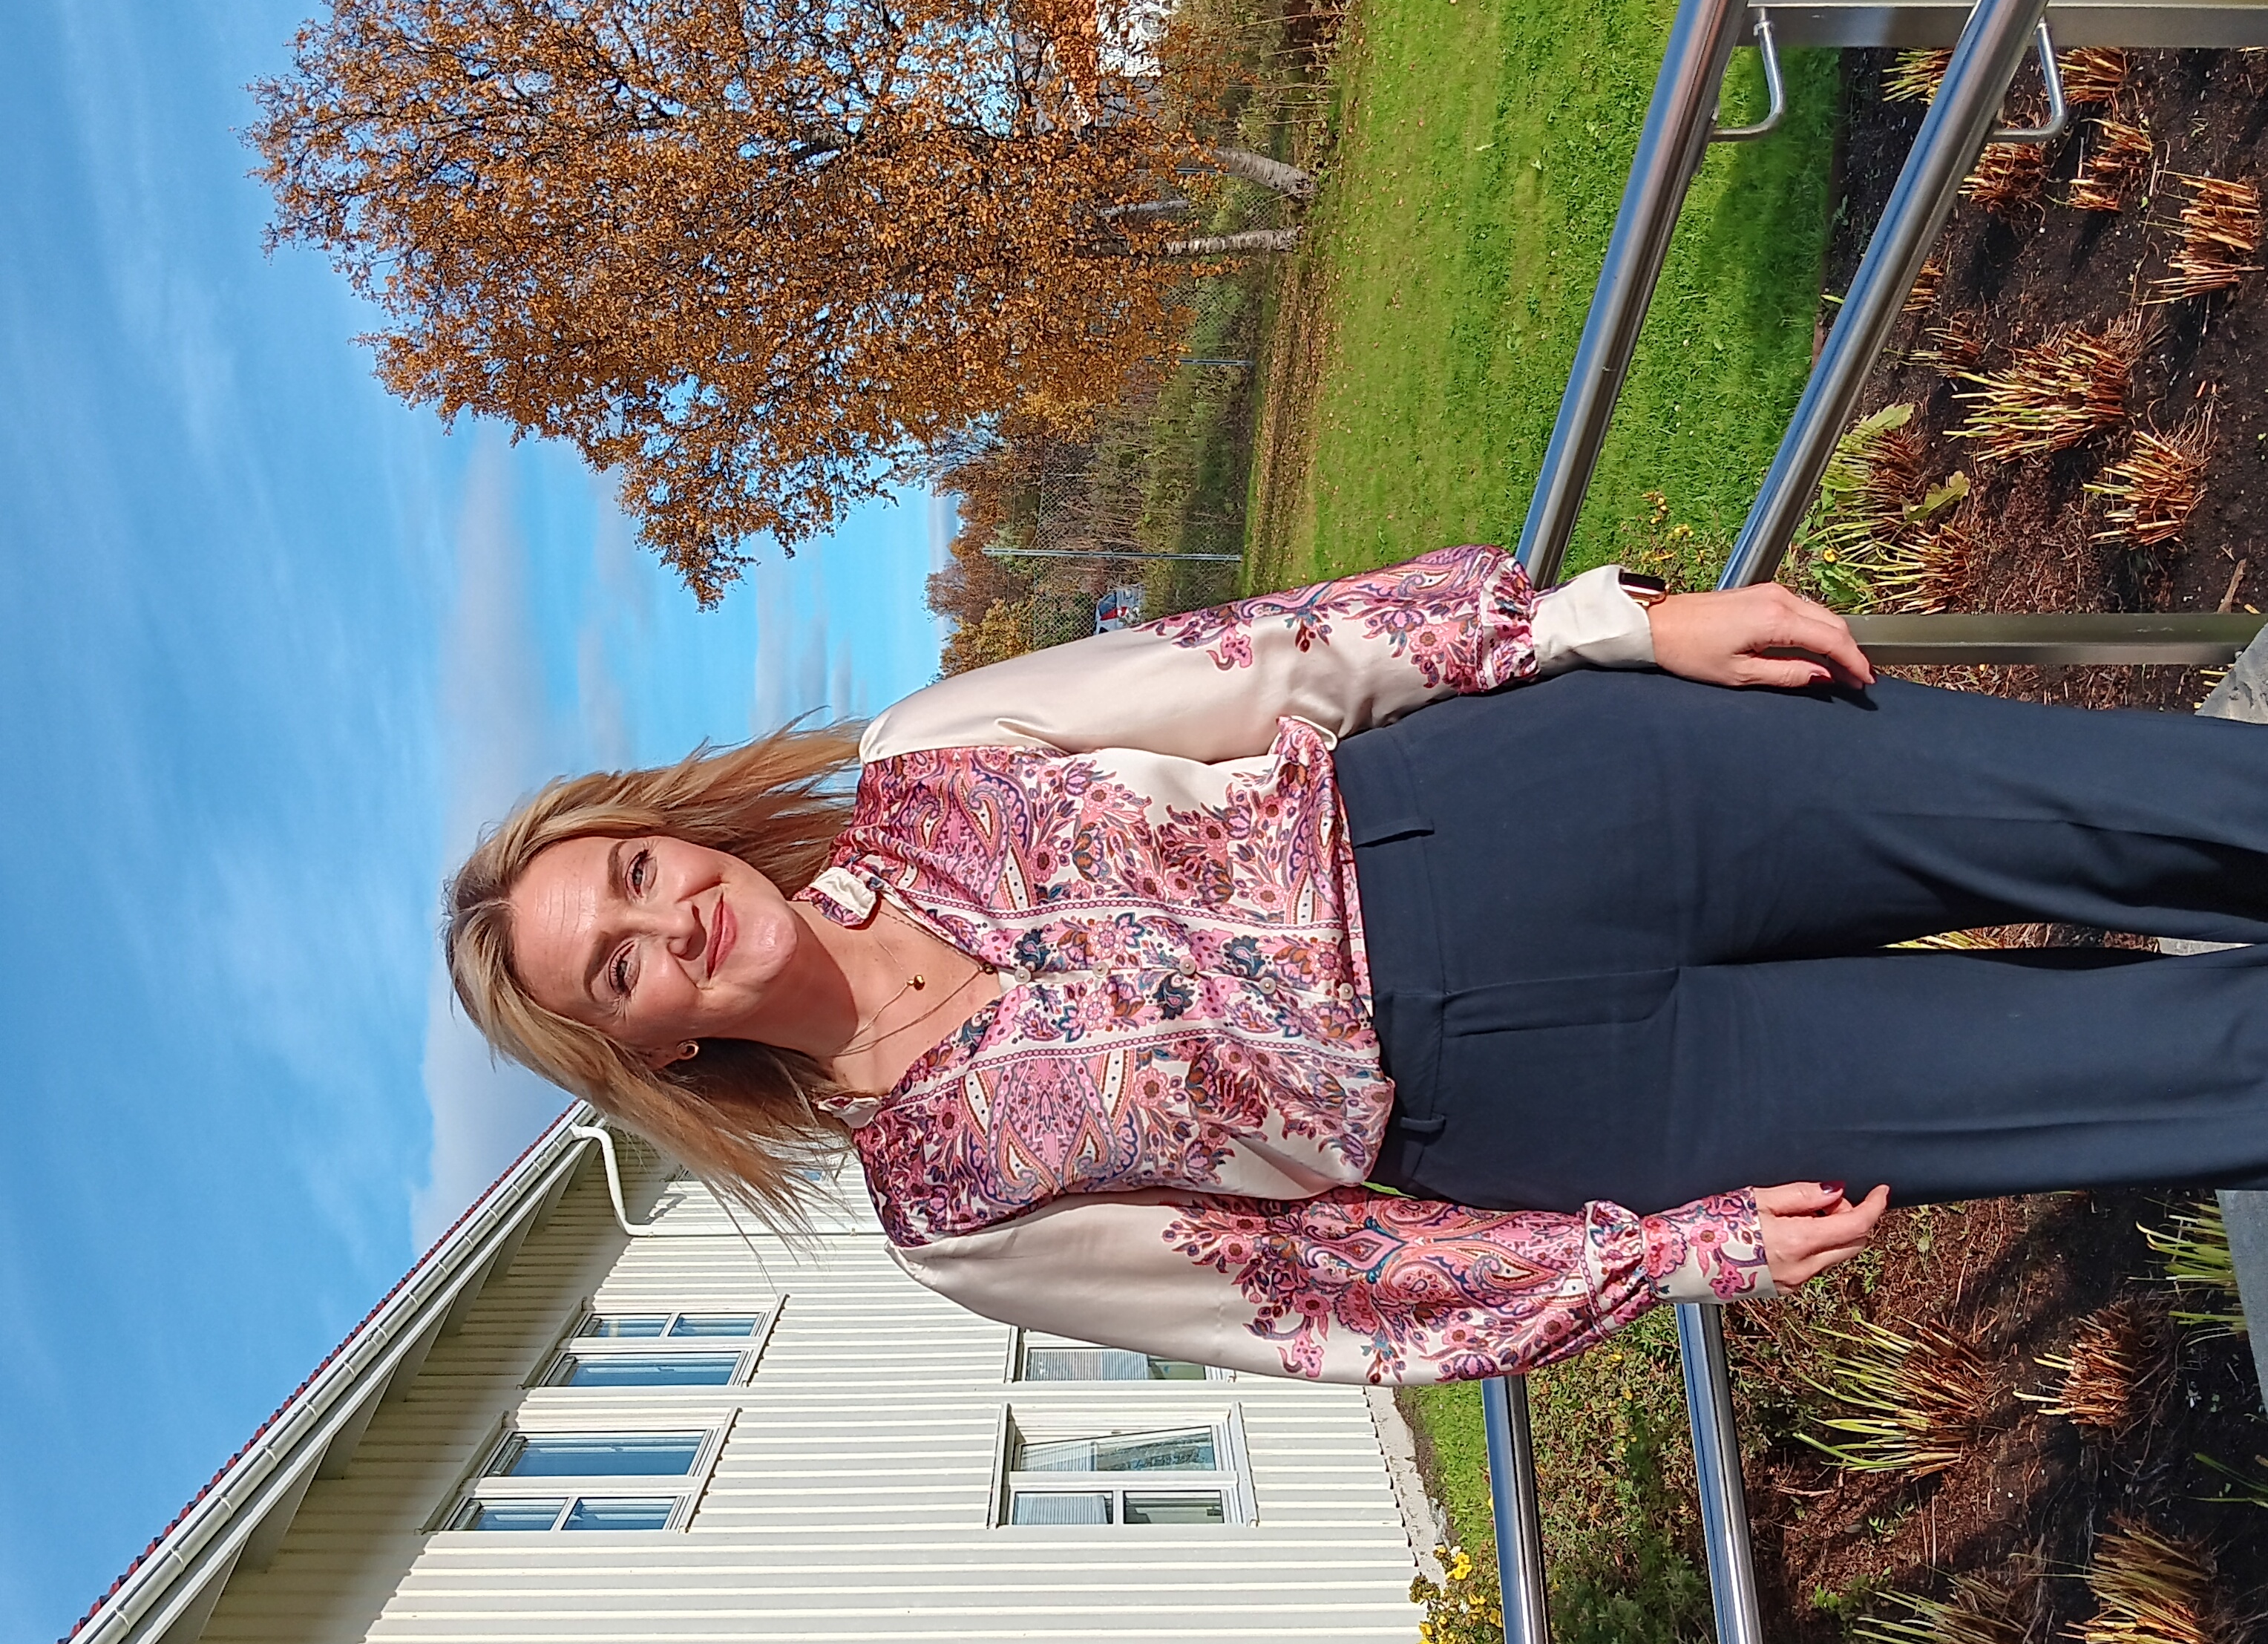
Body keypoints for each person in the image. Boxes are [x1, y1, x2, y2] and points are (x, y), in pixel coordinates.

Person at [445, 546, 2268, 1386]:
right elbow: (1309, 1293)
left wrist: (1612, 622)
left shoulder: (936, 754)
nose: (660, 919)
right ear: (661, 1054)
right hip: (1567, 1097)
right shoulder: (955, 1209)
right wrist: (1654, 1253)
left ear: (671, 831)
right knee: (2118, 1082)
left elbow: (1279, 657)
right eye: (616, 972)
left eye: (630, 872)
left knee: (2109, 803)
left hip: (1539, 805)